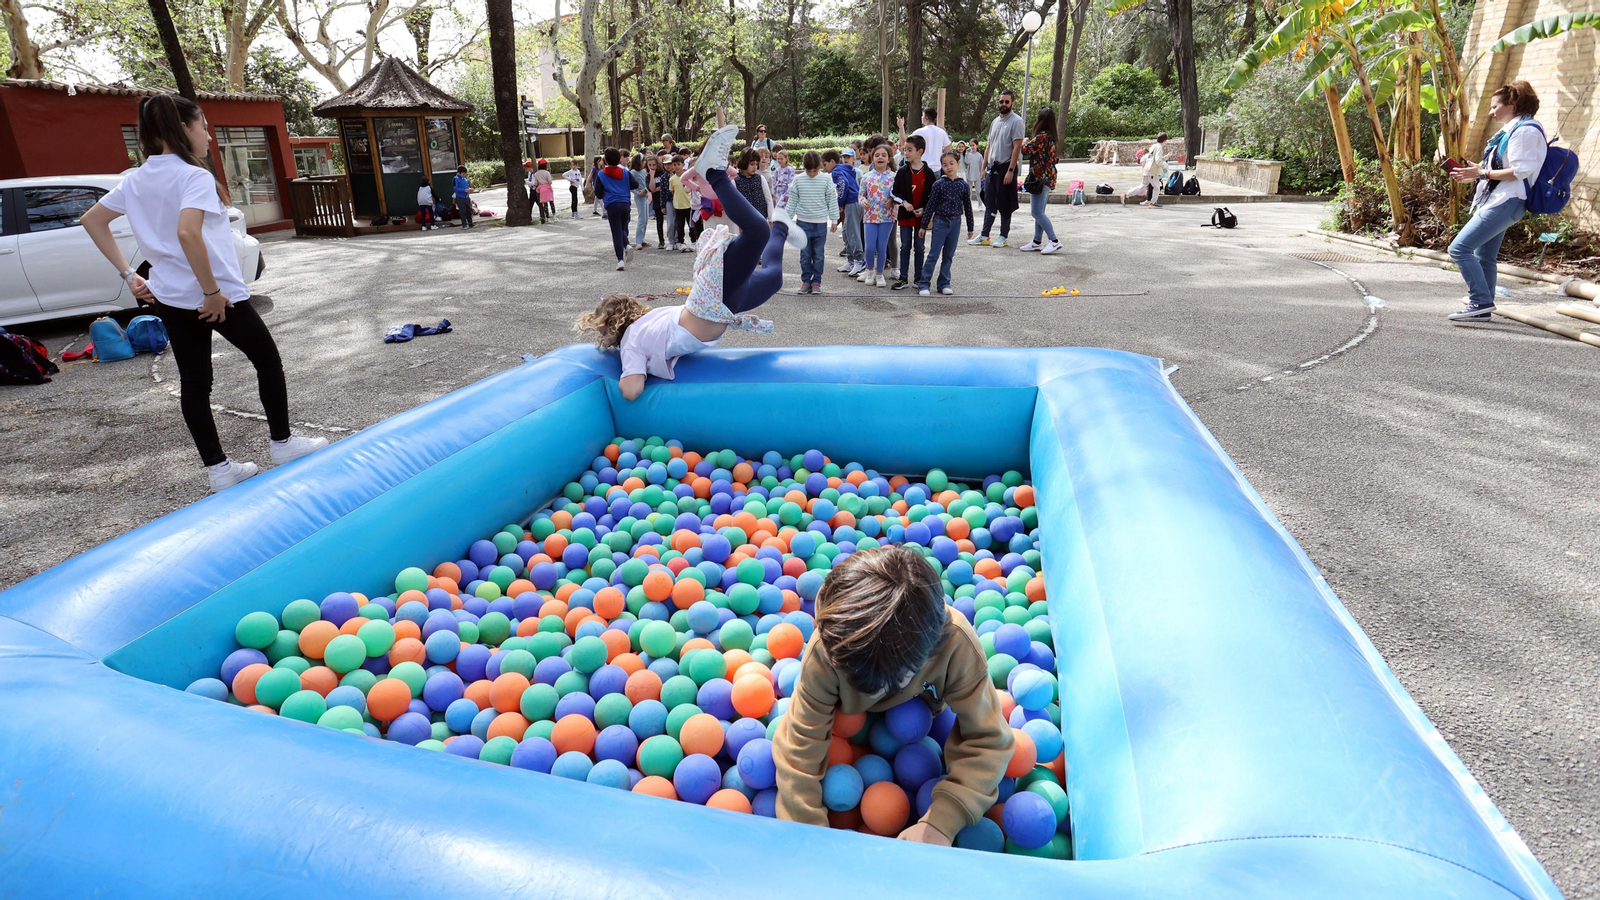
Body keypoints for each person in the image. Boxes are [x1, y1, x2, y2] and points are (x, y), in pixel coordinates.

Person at [79, 95, 326, 493]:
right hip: (218, 298)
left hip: (170, 298)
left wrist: (129, 274)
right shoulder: (191, 176)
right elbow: (187, 232)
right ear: (184, 129)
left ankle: (219, 469)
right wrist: (211, 292)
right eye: (204, 127)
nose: (209, 136)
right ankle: (283, 444)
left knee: (196, 385)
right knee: (267, 362)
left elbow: (92, 221)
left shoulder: (135, 179)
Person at [772, 544, 1013, 846]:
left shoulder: (955, 643)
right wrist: (809, 837)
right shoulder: (831, 645)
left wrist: (941, 822)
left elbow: (989, 738)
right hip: (849, 724)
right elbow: (799, 746)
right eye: (855, 679)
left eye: (893, 682)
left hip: (922, 720)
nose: (874, 694)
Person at [574, 124, 804, 401]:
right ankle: (780, 224)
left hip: (711, 301)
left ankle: (714, 173)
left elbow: (631, 391)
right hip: (722, 305)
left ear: (614, 324)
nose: (603, 338)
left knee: (756, 232)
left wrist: (626, 367)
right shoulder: (646, 321)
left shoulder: (632, 341)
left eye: (602, 330)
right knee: (773, 276)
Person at [1447, 81, 1549, 322]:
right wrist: (1478, 171)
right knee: (1484, 257)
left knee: (1459, 248)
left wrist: (1482, 173)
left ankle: (1480, 301)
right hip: (1499, 200)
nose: (1491, 112)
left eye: (1495, 107)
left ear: (1512, 105)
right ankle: (1482, 307)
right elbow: (1504, 167)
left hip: (1507, 201)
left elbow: (1520, 170)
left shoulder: (1525, 131)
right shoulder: (1513, 130)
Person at [917, 149, 976, 297]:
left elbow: (967, 206)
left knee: (948, 255)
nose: (948, 167)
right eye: (944, 164)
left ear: (958, 163)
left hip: (955, 223)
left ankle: (944, 283)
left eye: (951, 164)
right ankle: (924, 284)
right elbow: (930, 205)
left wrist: (970, 227)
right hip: (940, 222)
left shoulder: (963, 185)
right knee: (933, 254)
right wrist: (924, 225)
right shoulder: (939, 184)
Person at [973, 89, 1024, 247]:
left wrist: (1010, 170)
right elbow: (989, 146)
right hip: (992, 168)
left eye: (1006, 102)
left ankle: (1003, 236)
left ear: (1012, 103)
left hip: (1005, 168)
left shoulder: (1016, 121)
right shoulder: (995, 122)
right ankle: (984, 235)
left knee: (1005, 203)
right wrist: (983, 167)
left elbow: (1017, 148)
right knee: (989, 201)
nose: (1003, 104)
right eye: (1001, 101)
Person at [788, 149, 839, 295]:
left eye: (815, 170)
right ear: (804, 168)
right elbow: (792, 201)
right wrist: (787, 221)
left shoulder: (826, 179)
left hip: (820, 223)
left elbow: (831, 200)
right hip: (802, 222)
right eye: (809, 171)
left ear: (820, 167)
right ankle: (806, 281)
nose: (811, 174)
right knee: (805, 255)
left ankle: (816, 281)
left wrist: (834, 219)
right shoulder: (798, 179)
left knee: (818, 254)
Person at [1019, 106, 1061, 254]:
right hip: (1049, 177)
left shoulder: (1041, 137)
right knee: (1040, 211)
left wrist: (1024, 141)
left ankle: (1054, 240)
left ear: (1041, 120)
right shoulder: (1052, 137)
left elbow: (1025, 150)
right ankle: (1037, 241)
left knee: (1036, 212)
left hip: (1040, 178)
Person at [891, 134, 931, 290]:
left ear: (920, 151)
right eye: (904, 149)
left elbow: (932, 196)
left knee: (920, 247)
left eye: (909, 150)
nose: (905, 153)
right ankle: (903, 278)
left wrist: (925, 208)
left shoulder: (928, 173)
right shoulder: (902, 171)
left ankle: (919, 278)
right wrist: (904, 202)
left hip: (921, 217)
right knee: (905, 246)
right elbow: (894, 192)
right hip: (905, 216)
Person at [858, 144, 897, 287]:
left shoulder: (894, 176)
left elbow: (898, 196)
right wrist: (863, 201)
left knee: (882, 246)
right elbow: (861, 195)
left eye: (884, 155)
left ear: (889, 159)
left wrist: (892, 201)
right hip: (870, 217)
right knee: (869, 247)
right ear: (872, 158)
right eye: (877, 155)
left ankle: (880, 274)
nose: (880, 157)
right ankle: (870, 271)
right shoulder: (866, 177)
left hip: (887, 217)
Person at [594, 148, 635, 271]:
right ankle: (626, 245)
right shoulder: (625, 172)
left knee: (616, 232)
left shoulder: (601, 174)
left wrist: (604, 194)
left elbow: (597, 192)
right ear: (619, 159)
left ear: (605, 160)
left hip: (612, 204)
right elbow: (635, 184)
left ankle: (620, 259)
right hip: (625, 204)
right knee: (622, 228)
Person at [826, 148, 863, 275]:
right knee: (847, 232)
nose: (824, 168)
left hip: (852, 201)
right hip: (853, 201)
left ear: (831, 162)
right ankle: (851, 260)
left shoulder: (837, 171)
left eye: (824, 164)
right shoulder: (846, 169)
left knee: (853, 232)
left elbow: (843, 184)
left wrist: (840, 202)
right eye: (844, 157)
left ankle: (859, 260)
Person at [1123, 133, 1168, 207]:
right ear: (1164, 140)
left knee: (1142, 186)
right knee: (1157, 187)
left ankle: (1127, 195)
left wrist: (1166, 157)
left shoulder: (1153, 146)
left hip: (1147, 169)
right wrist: (1164, 168)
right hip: (1153, 171)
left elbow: (1154, 158)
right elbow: (1158, 160)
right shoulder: (1159, 147)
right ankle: (1153, 202)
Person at [733, 148, 773, 220]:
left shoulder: (760, 179)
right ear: (744, 162)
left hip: (761, 219)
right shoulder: (735, 182)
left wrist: (771, 219)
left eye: (756, 164)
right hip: (744, 222)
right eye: (752, 164)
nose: (755, 167)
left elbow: (769, 200)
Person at [668, 155, 692, 250]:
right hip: (678, 206)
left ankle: (694, 241)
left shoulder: (688, 177)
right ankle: (680, 242)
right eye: (674, 165)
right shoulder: (672, 179)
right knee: (680, 225)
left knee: (691, 225)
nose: (676, 166)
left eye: (678, 164)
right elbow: (673, 192)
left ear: (683, 164)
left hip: (689, 204)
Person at [630, 152, 651, 249]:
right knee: (642, 219)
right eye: (643, 161)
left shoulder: (643, 171)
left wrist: (646, 190)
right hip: (639, 197)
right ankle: (638, 241)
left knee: (646, 219)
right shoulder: (633, 172)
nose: (644, 163)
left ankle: (642, 239)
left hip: (645, 196)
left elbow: (647, 184)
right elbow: (629, 186)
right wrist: (637, 192)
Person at [648, 153, 669, 248]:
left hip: (666, 199)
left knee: (672, 221)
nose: (652, 167)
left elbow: (666, 186)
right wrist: (652, 176)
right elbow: (652, 189)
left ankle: (675, 239)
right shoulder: (648, 176)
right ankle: (661, 241)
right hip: (657, 201)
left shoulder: (663, 173)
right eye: (650, 165)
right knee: (659, 222)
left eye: (654, 165)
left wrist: (659, 188)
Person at [532, 158, 555, 223]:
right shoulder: (547, 172)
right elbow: (550, 181)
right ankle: (554, 216)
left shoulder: (536, 174)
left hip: (541, 189)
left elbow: (536, 183)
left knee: (545, 204)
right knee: (551, 202)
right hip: (548, 188)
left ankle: (547, 218)